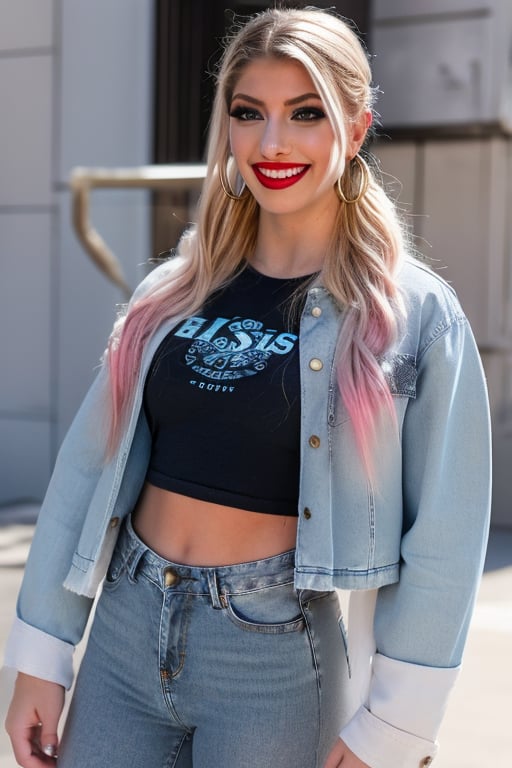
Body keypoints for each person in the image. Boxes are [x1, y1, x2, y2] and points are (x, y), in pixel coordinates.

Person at [4, 7, 491, 768]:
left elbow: (447, 538)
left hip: (272, 654)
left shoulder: (413, 315)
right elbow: (87, 473)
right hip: (127, 626)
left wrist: (396, 728)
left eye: (305, 114)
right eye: (248, 113)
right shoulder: (172, 292)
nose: (272, 144)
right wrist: (41, 651)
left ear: (356, 129)